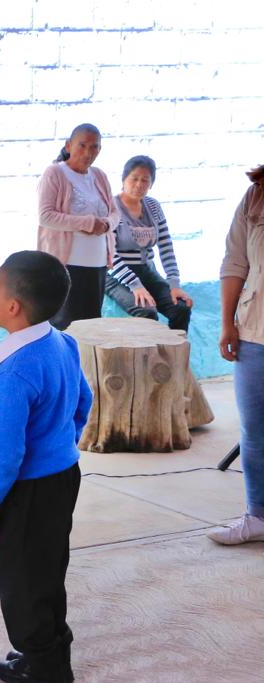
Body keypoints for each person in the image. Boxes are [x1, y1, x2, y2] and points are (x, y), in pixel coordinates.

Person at [0, 250, 92, 683]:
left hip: (28, 491)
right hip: (64, 476)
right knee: (48, 570)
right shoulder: (62, 343)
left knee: (23, 584)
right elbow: (84, 400)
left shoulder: (13, 371)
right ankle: (47, 656)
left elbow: (6, 452)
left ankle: (46, 669)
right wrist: (64, 443)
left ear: (13, 307)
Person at [210, 164, 264, 545]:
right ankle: (257, 515)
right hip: (254, 331)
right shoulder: (256, 195)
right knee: (255, 432)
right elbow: (235, 263)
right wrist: (227, 322)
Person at [37, 123, 120, 330]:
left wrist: (107, 224)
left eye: (94, 147)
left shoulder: (99, 175)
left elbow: (115, 212)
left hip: (97, 264)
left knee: (91, 327)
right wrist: (88, 223)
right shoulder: (54, 173)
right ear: (68, 145)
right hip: (66, 265)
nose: (88, 152)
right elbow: (45, 216)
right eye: (82, 145)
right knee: (66, 326)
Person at [105, 155, 193, 331]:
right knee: (147, 312)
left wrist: (174, 285)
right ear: (124, 179)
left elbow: (166, 246)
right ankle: (149, 358)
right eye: (134, 178)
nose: (139, 184)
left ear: (151, 183)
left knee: (180, 308)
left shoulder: (153, 206)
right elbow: (110, 253)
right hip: (116, 274)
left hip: (148, 270)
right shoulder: (110, 207)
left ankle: (173, 355)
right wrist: (135, 285)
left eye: (145, 180)